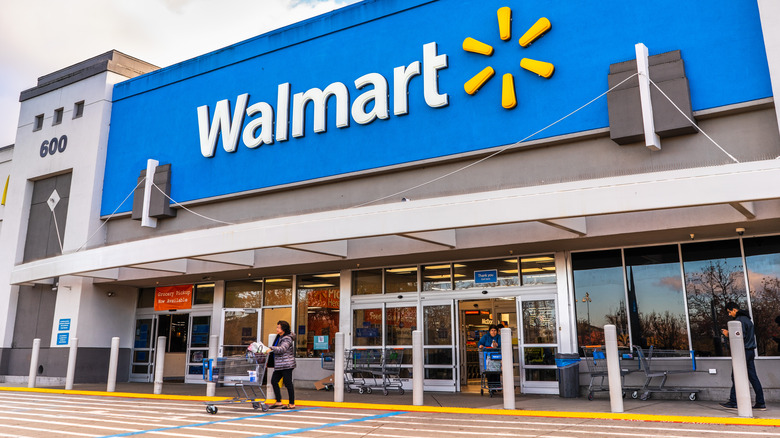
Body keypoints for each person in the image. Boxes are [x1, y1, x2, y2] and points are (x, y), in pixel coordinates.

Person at [719, 302, 765, 410]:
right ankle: (760, 402)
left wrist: (728, 334)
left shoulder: (739, 321)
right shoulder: (748, 320)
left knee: (735, 376)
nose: (730, 314)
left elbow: (739, 337)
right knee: (753, 377)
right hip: (750, 352)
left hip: (743, 352)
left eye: (730, 312)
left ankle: (734, 401)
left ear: (735, 310)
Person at [264, 320, 297, 410]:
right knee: (274, 381)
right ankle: (278, 401)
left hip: (287, 364)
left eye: (278, 327)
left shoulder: (287, 338)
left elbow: (282, 349)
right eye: (277, 327)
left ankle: (292, 403)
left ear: (284, 329)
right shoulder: (279, 337)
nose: (277, 329)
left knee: (288, 384)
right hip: (279, 364)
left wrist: (271, 348)